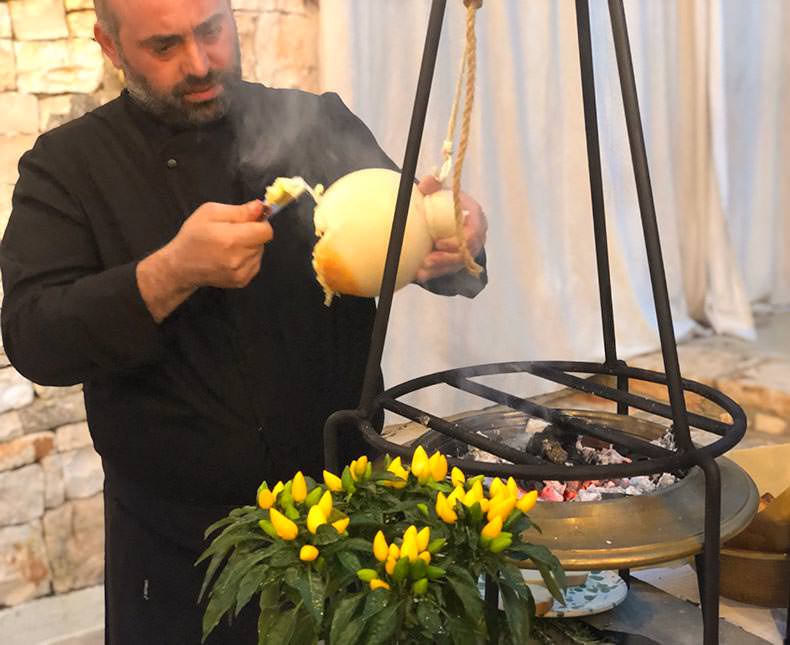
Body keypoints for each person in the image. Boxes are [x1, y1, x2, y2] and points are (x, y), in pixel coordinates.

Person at [0, 0, 488, 642]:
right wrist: (169, 271)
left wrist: (455, 238)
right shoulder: (68, 165)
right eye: (165, 47)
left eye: (211, 32)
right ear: (110, 46)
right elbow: (36, 336)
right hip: (178, 543)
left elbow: (409, 244)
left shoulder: (319, 122)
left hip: (346, 510)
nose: (200, 63)